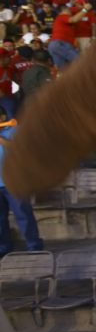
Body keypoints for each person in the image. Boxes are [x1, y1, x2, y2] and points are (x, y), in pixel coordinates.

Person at [0, 107, 44, 257]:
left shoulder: (14, 130)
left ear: (3, 116)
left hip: (14, 182)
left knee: (23, 215)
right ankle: (4, 247)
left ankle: (34, 246)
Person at [48, 4, 89, 71]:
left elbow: (75, 9)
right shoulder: (61, 16)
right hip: (61, 43)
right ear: (64, 10)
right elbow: (73, 20)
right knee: (81, 62)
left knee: (63, 70)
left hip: (54, 45)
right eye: (69, 10)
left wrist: (80, 7)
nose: (71, 12)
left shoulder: (59, 18)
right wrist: (85, 9)